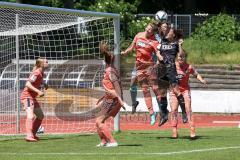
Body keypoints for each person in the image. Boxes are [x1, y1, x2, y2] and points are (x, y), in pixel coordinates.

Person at [121, 22, 163, 125]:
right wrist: (125, 52)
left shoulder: (154, 41)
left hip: (149, 67)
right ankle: (150, 112)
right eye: (147, 28)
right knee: (141, 88)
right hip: (139, 67)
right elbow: (132, 47)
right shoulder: (139, 35)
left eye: (149, 30)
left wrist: (160, 59)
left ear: (152, 32)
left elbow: (158, 53)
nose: (147, 31)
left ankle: (162, 110)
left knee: (155, 88)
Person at [95, 41, 125, 147]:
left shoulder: (110, 71)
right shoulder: (109, 70)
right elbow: (110, 87)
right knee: (97, 120)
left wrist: (120, 101)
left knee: (100, 121)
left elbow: (117, 88)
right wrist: (102, 97)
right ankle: (104, 141)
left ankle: (112, 141)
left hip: (113, 99)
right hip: (109, 98)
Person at [157, 24, 188, 126]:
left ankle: (184, 113)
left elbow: (182, 55)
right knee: (161, 93)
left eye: (169, 32)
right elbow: (157, 52)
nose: (167, 32)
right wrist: (159, 56)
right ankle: (165, 115)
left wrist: (180, 45)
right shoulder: (162, 41)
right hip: (161, 69)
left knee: (176, 90)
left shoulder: (175, 44)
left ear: (173, 35)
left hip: (170, 68)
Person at [170, 52, 206, 138]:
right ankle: (174, 130)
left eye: (183, 57)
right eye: (179, 57)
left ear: (185, 57)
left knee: (188, 109)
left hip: (185, 91)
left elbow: (196, 74)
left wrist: (201, 80)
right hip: (174, 91)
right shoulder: (172, 66)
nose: (181, 58)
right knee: (174, 110)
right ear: (176, 57)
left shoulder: (189, 67)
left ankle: (192, 129)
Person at [20, 57, 48, 142]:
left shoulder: (41, 73)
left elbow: (39, 81)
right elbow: (28, 84)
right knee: (30, 116)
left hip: (32, 98)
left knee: (40, 116)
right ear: (41, 64)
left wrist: (45, 84)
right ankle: (29, 136)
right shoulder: (36, 73)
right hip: (27, 97)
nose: (48, 63)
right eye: (46, 62)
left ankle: (33, 134)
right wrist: (38, 91)